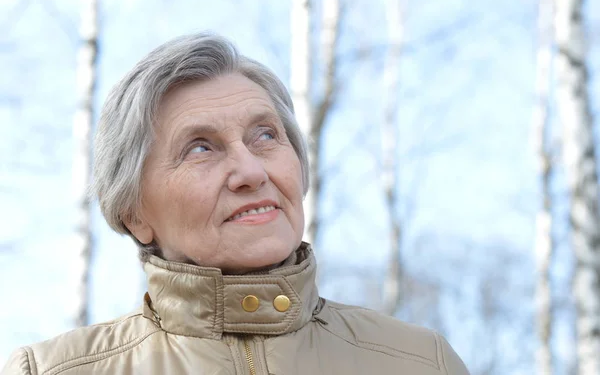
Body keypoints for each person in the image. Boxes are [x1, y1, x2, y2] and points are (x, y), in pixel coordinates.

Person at [2, 33, 469, 375]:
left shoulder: (421, 362)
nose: (251, 172)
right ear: (134, 213)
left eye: (266, 135)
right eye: (200, 147)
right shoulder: (50, 371)